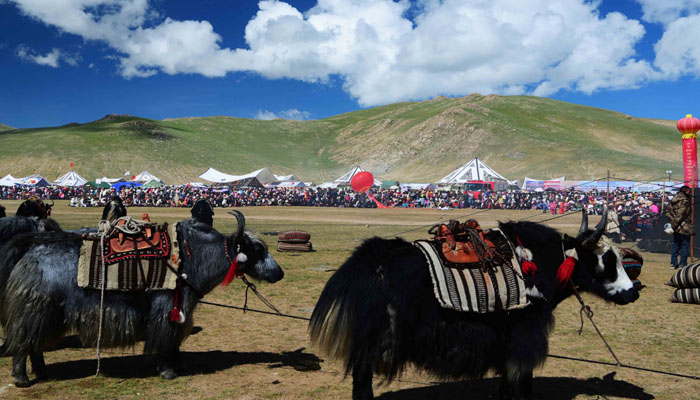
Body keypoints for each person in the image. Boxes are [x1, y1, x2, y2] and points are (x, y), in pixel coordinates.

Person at [666, 185, 694, 269]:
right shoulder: (685, 201)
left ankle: (673, 263)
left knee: (676, 245)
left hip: (675, 226)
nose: (690, 193)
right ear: (685, 191)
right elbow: (681, 215)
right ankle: (682, 264)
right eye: (689, 191)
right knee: (684, 245)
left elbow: (668, 212)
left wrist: (672, 224)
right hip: (684, 226)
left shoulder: (673, 200)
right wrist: (675, 224)